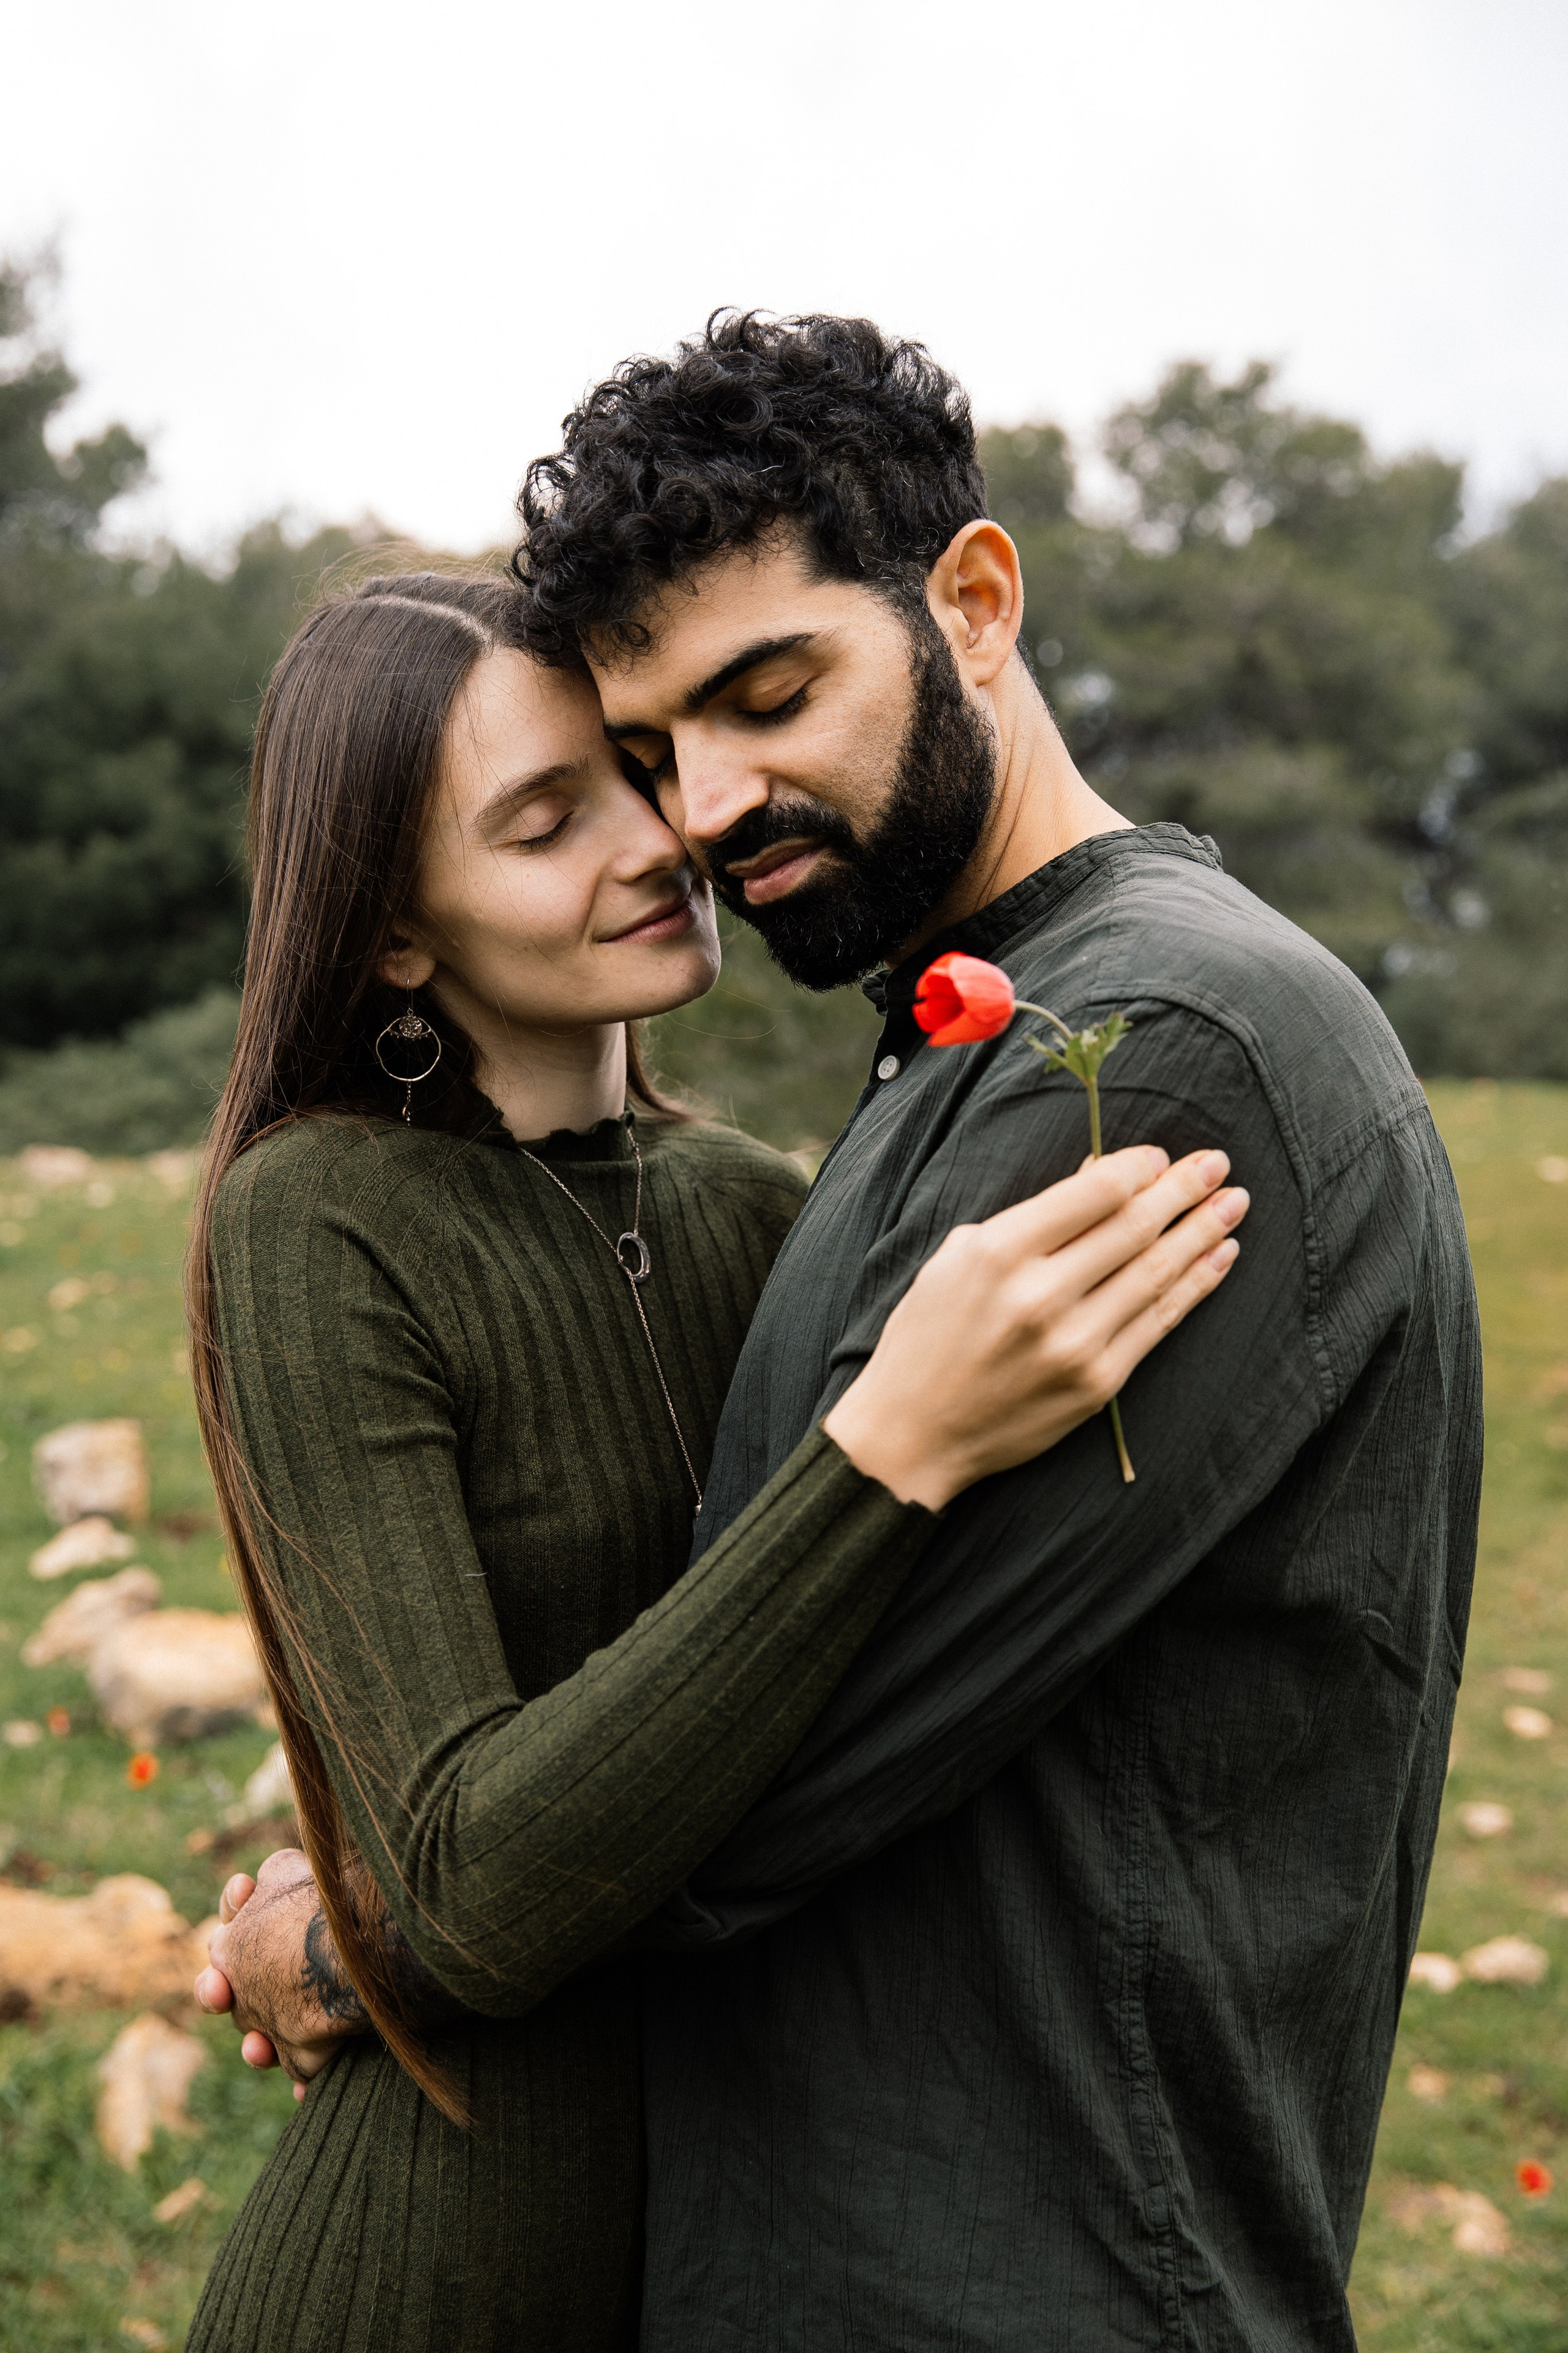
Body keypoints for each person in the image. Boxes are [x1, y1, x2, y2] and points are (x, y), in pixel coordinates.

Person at [183, 565, 1243, 2353]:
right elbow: (471, 1880)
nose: (660, 834)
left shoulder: (764, 1200)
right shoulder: (317, 1220)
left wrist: (339, 1940)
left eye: (633, 767)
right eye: (544, 819)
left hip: (763, 2254)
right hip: (441, 2274)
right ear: (394, 933)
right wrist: (882, 1448)